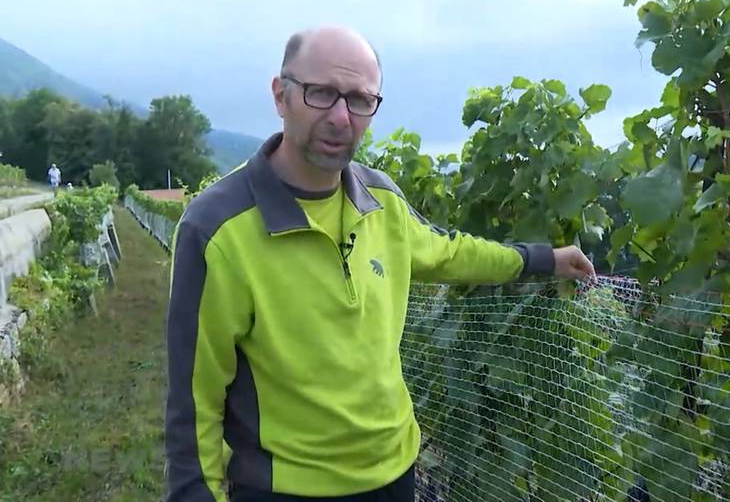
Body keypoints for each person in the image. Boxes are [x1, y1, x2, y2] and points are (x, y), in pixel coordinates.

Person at [163, 25, 595, 502]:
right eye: (321, 94)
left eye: (359, 100)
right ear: (280, 95)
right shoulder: (218, 228)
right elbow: (194, 397)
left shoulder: (381, 200)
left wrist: (544, 260)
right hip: (289, 490)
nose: (341, 117)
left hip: (395, 474)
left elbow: (450, 252)